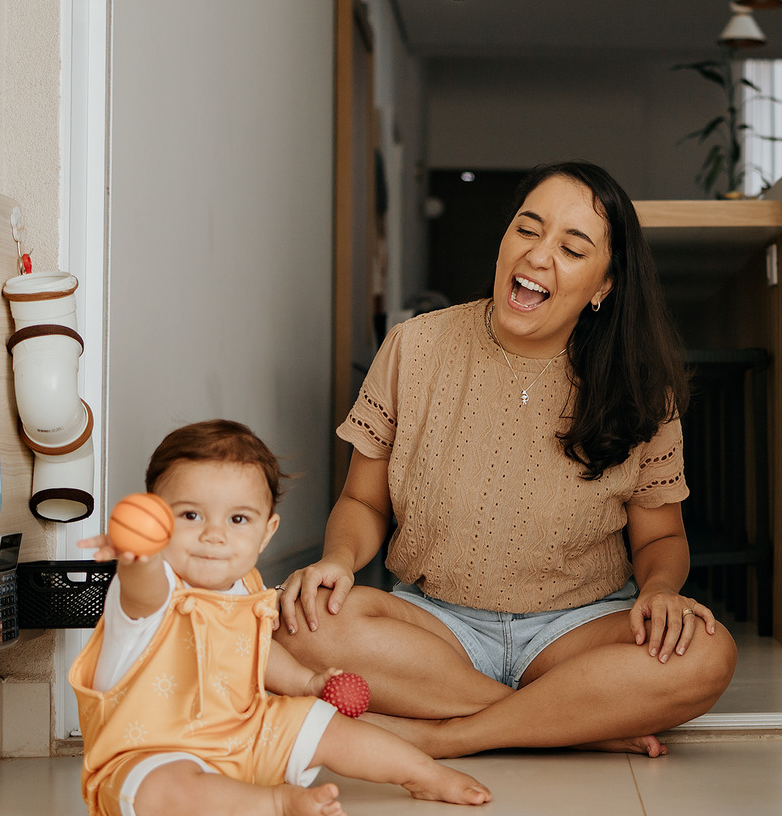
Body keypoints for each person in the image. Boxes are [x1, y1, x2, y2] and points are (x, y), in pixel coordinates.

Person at [276, 161, 736, 757]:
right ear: (504, 240)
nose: (538, 257)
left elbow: (660, 539)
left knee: (705, 653)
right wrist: (337, 560)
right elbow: (364, 500)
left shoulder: (643, 390)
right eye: (527, 229)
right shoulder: (415, 346)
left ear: (603, 286)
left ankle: (445, 736)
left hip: (575, 631)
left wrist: (659, 591)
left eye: (572, 249)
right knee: (298, 623)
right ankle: (568, 722)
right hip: (437, 628)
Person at [68, 420, 491, 816]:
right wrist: (134, 555)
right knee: (158, 796)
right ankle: (277, 804)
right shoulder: (151, 588)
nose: (214, 536)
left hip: (245, 734)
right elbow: (143, 589)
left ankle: (424, 774)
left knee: (326, 725)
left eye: (238, 520)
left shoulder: (245, 590)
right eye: (191, 515)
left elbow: (254, 649)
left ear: (266, 532)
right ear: (157, 520)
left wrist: (307, 683)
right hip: (151, 753)